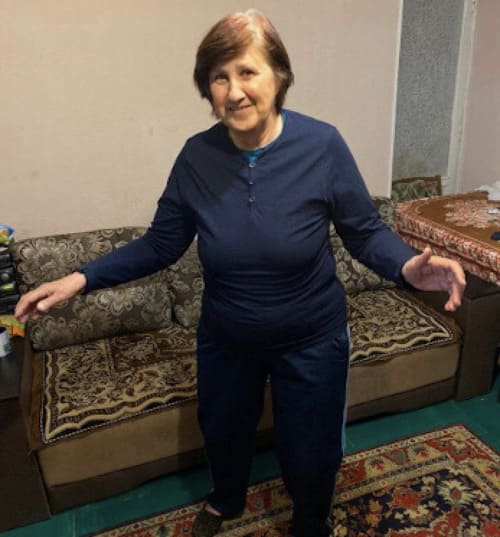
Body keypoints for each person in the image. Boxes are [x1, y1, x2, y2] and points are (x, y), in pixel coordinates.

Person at [15, 9, 466, 537]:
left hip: (313, 340)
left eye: (247, 72)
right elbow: (161, 243)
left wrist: (408, 266)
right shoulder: (196, 157)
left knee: (312, 450)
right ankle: (226, 500)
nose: (234, 91)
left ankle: (310, 521)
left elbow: (364, 231)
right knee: (223, 432)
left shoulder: (322, 146)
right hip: (227, 340)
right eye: (219, 77)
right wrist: (79, 279)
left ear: (279, 76)